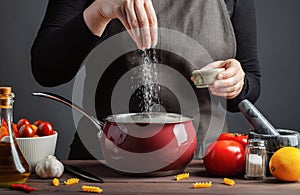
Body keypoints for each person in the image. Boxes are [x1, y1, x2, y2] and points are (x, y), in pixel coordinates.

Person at [31, 0, 261, 159]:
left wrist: (236, 82)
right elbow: (47, 71)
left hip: (202, 165)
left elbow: (251, 84)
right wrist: (99, 11)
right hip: (103, 165)